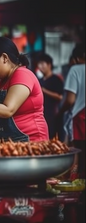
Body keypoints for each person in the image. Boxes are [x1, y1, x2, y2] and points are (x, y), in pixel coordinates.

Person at [57, 43, 85, 178]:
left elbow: (70, 100)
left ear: (77, 58)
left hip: (80, 118)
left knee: (77, 152)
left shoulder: (76, 70)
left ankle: (77, 186)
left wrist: (61, 111)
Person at [36, 53, 64, 140]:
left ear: (49, 65)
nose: (40, 66)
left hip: (54, 115)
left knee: (54, 139)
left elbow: (60, 97)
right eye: (39, 64)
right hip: (42, 115)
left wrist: (44, 90)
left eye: (42, 64)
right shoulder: (39, 80)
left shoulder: (56, 80)